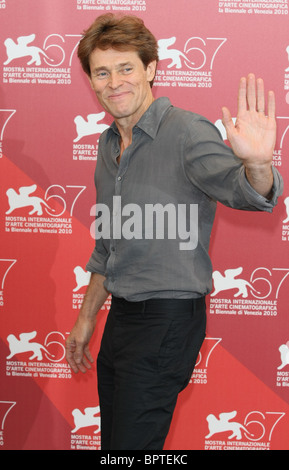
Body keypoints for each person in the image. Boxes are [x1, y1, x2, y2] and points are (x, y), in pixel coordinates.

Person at [65, 14, 283, 450]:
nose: (114, 82)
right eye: (102, 72)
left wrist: (258, 163)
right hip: (122, 318)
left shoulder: (186, 132)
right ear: (91, 81)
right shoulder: (108, 146)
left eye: (126, 68)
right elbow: (108, 245)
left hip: (167, 321)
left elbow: (247, 193)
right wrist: (87, 316)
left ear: (150, 69)